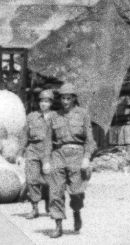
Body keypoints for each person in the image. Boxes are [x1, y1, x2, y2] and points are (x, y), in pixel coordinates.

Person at [42, 83, 95, 239]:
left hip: (77, 155)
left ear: (74, 99)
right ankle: (58, 225)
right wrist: (46, 161)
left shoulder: (83, 114)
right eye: (63, 98)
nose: (65, 101)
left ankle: (76, 211)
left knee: (77, 192)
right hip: (58, 155)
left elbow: (90, 140)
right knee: (55, 191)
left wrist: (86, 158)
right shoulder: (53, 116)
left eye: (68, 98)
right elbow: (47, 141)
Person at [23, 89, 55, 219]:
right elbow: (24, 135)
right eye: (42, 101)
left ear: (51, 103)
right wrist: (20, 153)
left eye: (46, 101)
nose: (43, 104)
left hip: (49, 150)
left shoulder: (56, 117)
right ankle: (35, 207)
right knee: (32, 178)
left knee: (49, 180)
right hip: (33, 149)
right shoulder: (31, 116)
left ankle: (50, 206)